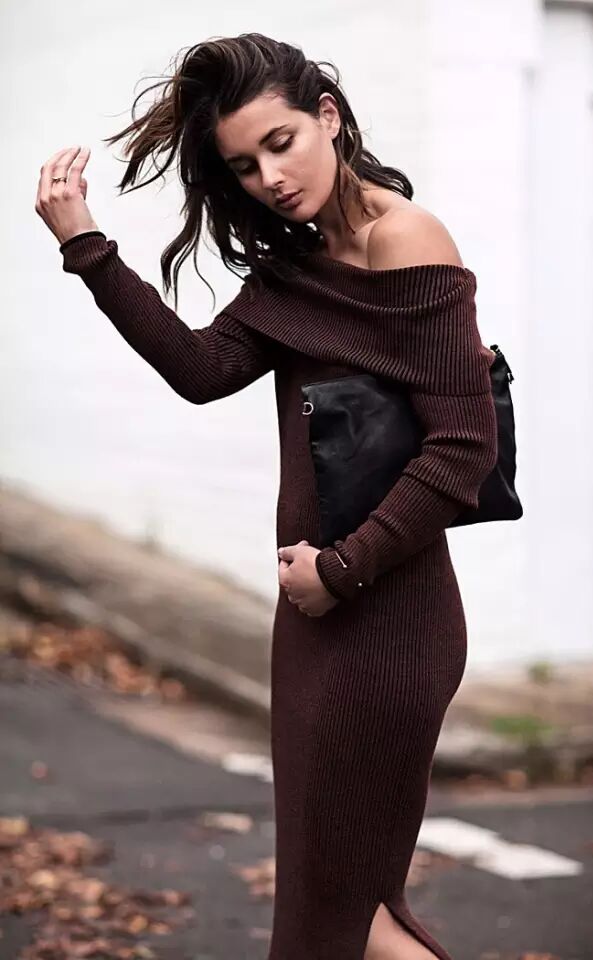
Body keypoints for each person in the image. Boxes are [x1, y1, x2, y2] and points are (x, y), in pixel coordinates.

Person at [35, 32, 498, 960]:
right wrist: (86, 245)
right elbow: (201, 369)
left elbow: (463, 449)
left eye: (280, 143)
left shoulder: (405, 238)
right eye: (245, 166)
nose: (270, 179)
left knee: (342, 923)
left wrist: (342, 570)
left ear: (328, 116)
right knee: (337, 920)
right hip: (318, 619)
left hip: (388, 621)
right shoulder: (297, 271)